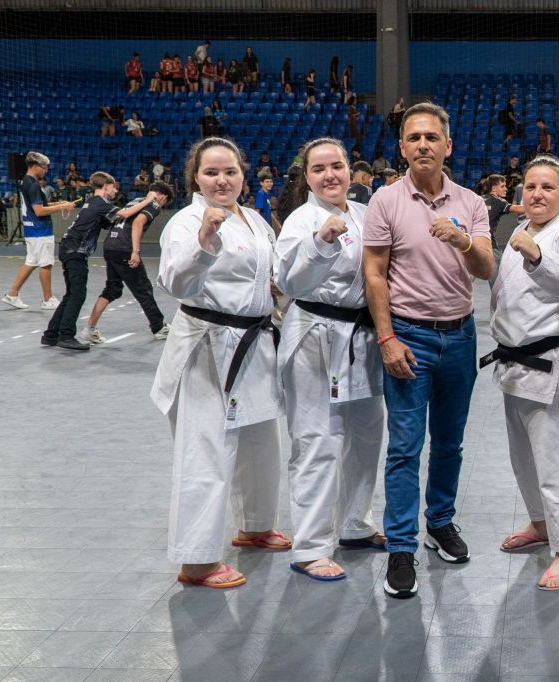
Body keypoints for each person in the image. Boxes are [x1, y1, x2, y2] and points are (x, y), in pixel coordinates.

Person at [362, 103, 494, 598]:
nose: (422, 145)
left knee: (450, 442)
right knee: (404, 446)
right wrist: (387, 337)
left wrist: (462, 240)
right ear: (402, 147)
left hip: (460, 336)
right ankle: (401, 545)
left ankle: (440, 522)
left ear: (447, 146)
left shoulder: (472, 203)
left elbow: (486, 268)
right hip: (409, 337)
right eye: (413, 137)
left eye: (431, 137)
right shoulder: (386, 201)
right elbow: (374, 273)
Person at [151, 137, 288, 590]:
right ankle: (196, 560)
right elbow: (174, 281)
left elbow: (267, 280)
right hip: (209, 347)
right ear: (196, 179)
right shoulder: (188, 220)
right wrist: (205, 242)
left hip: (253, 343)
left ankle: (254, 524)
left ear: (242, 177)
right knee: (206, 449)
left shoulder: (254, 220)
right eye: (211, 173)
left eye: (229, 171)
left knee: (259, 440)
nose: (221, 180)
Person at [276, 137, 387, 581]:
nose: (330, 175)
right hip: (315, 338)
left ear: (350, 170)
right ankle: (309, 546)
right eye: (319, 168)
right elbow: (289, 281)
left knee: (366, 435)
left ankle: (355, 523)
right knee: (316, 439)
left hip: (360, 337)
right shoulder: (301, 221)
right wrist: (320, 243)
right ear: (307, 176)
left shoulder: (363, 213)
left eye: (336, 166)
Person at [487, 156, 559, 590]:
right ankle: (540, 524)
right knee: (524, 457)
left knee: (557, 459)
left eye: (547, 187)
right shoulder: (521, 232)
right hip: (516, 362)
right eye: (529, 187)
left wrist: (538, 258)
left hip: (555, 361)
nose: (536, 194)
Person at [42, 173, 159, 351]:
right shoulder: (100, 202)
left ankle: (51, 334)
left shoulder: (93, 202)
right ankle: (66, 336)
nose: (116, 190)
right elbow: (125, 213)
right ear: (105, 186)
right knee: (77, 294)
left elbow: (113, 221)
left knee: (72, 293)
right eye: (113, 187)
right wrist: (148, 199)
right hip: (75, 251)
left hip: (69, 249)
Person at [81, 182, 174, 344]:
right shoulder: (153, 205)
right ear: (163, 197)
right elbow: (138, 223)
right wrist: (135, 251)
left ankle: (89, 329)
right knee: (143, 289)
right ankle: (159, 327)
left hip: (110, 245)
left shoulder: (136, 200)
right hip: (124, 248)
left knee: (113, 289)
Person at [2, 152, 75, 311]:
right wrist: (62, 207)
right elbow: (40, 211)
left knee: (31, 262)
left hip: (32, 230)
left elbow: (39, 204)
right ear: (35, 166)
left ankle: (12, 294)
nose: (46, 170)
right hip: (40, 230)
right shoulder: (34, 184)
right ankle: (47, 299)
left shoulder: (26, 182)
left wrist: (58, 202)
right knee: (46, 263)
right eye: (44, 167)